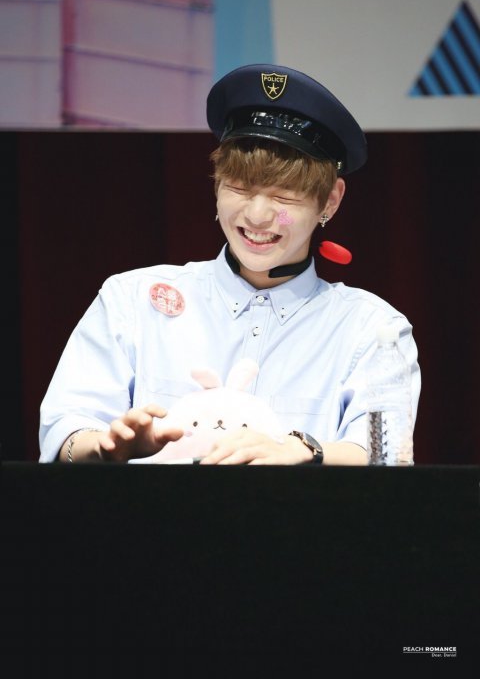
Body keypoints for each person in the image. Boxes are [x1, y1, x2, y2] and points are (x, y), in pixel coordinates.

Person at [39, 63, 421, 465]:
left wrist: (302, 450)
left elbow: (386, 454)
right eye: (240, 188)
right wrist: (106, 446)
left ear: (330, 201)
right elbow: (65, 429)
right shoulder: (133, 300)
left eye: (284, 197)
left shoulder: (371, 329)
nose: (257, 216)